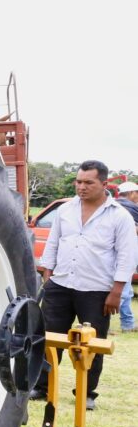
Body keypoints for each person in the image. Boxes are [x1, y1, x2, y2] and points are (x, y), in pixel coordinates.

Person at [31, 161, 138, 409]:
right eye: (78, 182)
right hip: (61, 284)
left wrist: (117, 292)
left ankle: (86, 393)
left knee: (92, 344)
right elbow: (53, 243)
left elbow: (127, 255)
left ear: (104, 184)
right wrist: (47, 275)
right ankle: (42, 386)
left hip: (97, 290)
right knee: (49, 339)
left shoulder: (119, 216)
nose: (82, 187)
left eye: (88, 182)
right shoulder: (66, 210)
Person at [114, 181, 138, 331]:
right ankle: (102, 322)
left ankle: (128, 323)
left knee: (126, 290)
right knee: (123, 290)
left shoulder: (114, 206)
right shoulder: (130, 209)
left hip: (117, 253)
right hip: (125, 253)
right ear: (130, 193)